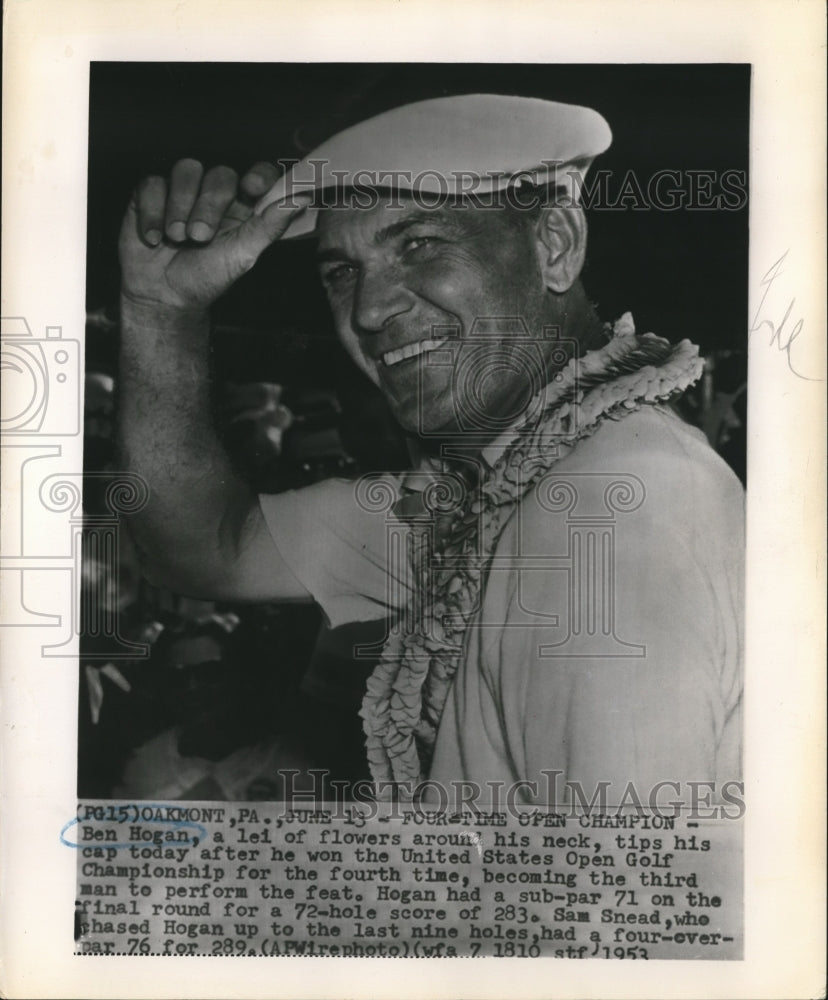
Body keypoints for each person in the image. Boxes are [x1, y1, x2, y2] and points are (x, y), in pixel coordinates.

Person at [118, 95, 743, 806]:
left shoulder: (609, 507)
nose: (368, 310)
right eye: (341, 272)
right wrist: (162, 310)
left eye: (420, 244)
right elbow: (208, 548)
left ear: (556, 245)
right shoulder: (495, 488)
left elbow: (615, 905)